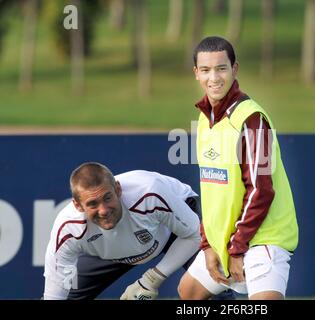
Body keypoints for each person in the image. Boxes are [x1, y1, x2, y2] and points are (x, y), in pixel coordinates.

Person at [177, 36, 299, 300]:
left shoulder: (252, 119)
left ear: (235, 69)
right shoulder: (204, 117)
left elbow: (261, 190)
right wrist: (209, 244)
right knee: (188, 292)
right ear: (196, 73)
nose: (214, 78)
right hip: (227, 241)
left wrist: (236, 249)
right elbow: (210, 191)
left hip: (262, 239)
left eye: (221, 68)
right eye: (206, 70)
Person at [43, 162, 202, 300]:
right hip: (113, 250)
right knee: (68, 293)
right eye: (93, 204)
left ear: (118, 189)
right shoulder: (68, 228)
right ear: (78, 206)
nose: (103, 210)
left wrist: (152, 279)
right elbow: (55, 292)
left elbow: (194, 235)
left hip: (174, 226)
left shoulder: (150, 193)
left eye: (107, 198)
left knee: (212, 281)